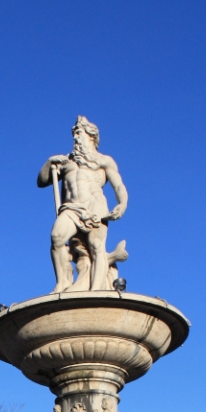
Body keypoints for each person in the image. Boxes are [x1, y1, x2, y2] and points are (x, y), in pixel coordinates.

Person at [37, 115, 128, 292]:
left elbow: (118, 185)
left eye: (79, 133)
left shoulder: (104, 160)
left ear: (91, 136)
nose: (76, 137)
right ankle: (62, 282)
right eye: (74, 134)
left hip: (95, 207)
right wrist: (49, 163)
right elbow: (42, 181)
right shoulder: (66, 161)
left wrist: (122, 203)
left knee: (96, 247)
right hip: (71, 207)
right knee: (57, 237)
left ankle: (96, 291)